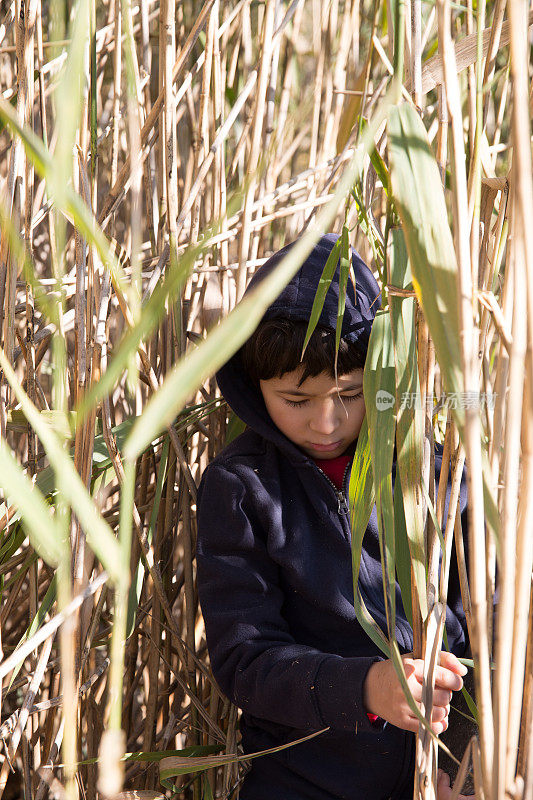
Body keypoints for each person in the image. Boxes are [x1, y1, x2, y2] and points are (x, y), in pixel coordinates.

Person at [196, 233, 470, 800]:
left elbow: (482, 625)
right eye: (296, 400)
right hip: (302, 780)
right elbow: (246, 659)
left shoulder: (433, 473)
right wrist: (368, 688)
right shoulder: (241, 489)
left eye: (350, 392)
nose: (327, 422)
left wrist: (464, 762)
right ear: (252, 384)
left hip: (435, 775)